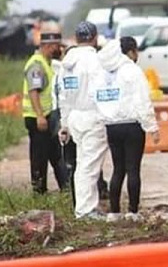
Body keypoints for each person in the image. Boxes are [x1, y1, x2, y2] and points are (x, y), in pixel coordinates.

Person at [96, 36, 161, 221]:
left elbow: (98, 98)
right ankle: (133, 212)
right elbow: (143, 101)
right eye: (136, 51)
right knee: (133, 169)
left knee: (118, 169)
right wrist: (152, 127)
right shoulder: (132, 71)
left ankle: (114, 212)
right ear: (131, 52)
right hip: (132, 126)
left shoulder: (105, 73)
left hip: (112, 126)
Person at [58, 21, 109, 219]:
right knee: (89, 166)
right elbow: (101, 91)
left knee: (83, 164)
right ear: (95, 38)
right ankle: (85, 210)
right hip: (92, 116)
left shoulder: (67, 64)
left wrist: (64, 124)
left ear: (76, 39)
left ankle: (85, 206)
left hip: (74, 117)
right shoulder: (95, 61)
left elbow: (62, 96)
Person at [22, 21, 68, 194]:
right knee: (39, 157)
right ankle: (39, 190)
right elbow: (34, 91)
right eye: (56, 47)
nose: (58, 50)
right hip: (37, 118)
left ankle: (66, 188)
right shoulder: (37, 65)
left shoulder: (47, 62)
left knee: (56, 154)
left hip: (47, 116)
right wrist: (40, 116)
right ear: (48, 46)